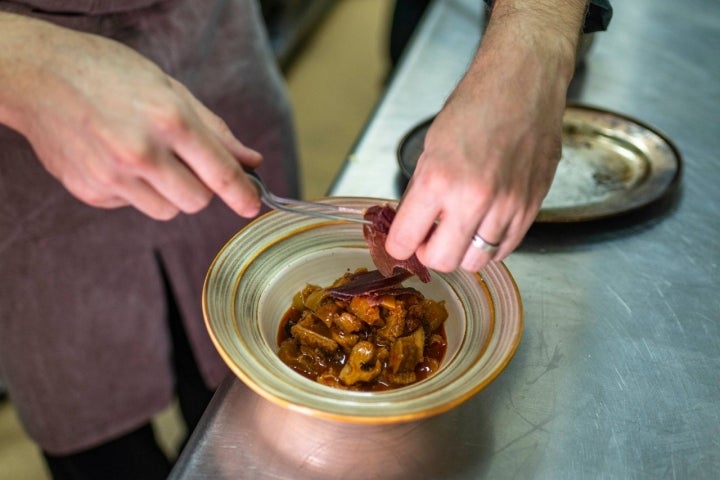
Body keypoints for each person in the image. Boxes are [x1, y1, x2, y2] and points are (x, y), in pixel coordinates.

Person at [0, 0, 610, 478]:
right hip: (23, 152)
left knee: (239, 408)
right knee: (99, 434)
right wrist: (21, 62)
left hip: (215, 59)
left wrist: (534, 49)